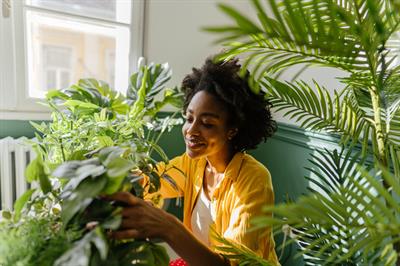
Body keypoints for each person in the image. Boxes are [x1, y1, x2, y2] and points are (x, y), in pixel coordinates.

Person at [107, 57, 279, 265]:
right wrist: (108, 178)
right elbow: (151, 179)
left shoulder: (254, 179)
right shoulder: (194, 164)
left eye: (206, 124)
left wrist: (170, 227)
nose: (191, 131)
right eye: (189, 119)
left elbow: (232, 264)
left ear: (232, 130)